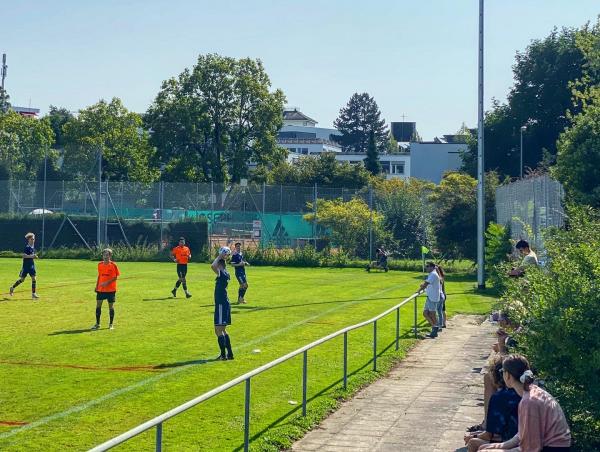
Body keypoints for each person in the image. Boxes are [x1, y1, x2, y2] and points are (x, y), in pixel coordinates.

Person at [479, 354, 571, 452]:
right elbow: (521, 435)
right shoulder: (532, 391)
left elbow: (531, 448)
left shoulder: (529, 402)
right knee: (483, 448)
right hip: (550, 446)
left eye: (502, 371)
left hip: (553, 449)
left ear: (508, 375)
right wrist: (498, 447)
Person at [464, 355, 521, 451]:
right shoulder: (523, 390)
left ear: (506, 375)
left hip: (517, 443)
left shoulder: (500, 397)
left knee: (473, 443)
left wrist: (474, 436)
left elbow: (488, 435)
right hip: (519, 438)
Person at [211, 246, 234, 360]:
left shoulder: (222, 273)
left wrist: (220, 256)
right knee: (221, 329)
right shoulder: (225, 272)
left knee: (219, 330)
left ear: (221, 265)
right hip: (223, 303)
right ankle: (229, 354)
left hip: (221, 304)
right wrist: (222, 258)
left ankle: (224, 355)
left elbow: (212, 266)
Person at [91, 248, 120, 331]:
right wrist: (97, 286)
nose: (105, 256)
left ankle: (111, 324)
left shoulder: (113, 265)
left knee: (111, 307)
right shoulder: (99, 264)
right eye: (104, 255)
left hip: (110, 290)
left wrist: (106, 283)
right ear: (102, 256)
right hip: (100, 290)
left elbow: (115, 278)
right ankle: (97, 324)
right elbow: (99, 276)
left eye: (107, 255)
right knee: (98, 306)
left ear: (110, 256)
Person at [9, 232, 40, 299]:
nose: (33, 240)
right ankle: (12, 287)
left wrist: (34, 256)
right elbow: (23, 256)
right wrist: (32, 256)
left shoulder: (32, 247)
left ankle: (33, 294)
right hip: (26, 266)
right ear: (28, 240)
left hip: (31, 265)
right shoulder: (27, 247)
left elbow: (32, 255)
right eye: (32, 239)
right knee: (22, 280)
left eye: (34, 239)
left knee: (34, 278)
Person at [419, 261, 441, 338]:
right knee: (425, 313)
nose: (426, 268)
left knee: (432, 314)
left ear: (432, 267)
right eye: (426, 266)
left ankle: (435, 329)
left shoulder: (433, 274)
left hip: (432, 298)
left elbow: (425, 284)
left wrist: (419, 290)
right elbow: (426, 283)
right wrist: (423, 285)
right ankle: (435, 327)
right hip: (430, 297)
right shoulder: (432, 274)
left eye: (427, 266)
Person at [435, 265, 447, 330]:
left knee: (437, 310)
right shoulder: (442, 277)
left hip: (440, 295)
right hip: (443, 295)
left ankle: (438, 324)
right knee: (442, 310)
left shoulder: (438, 277)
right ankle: (443, 323)